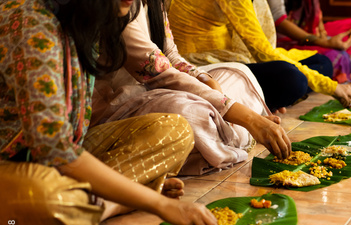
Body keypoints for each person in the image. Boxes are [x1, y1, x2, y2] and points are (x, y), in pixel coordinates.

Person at [0, 0, 217, 225]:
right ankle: (118, 201)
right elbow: (54, 150)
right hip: (15, 164)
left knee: (175, 129)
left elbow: (66, 149)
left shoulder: (86, 21)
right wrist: (158, 204)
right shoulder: (32, 22)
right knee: (49, 201)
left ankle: (96, 205)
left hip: (65, 159)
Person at [91, 0, 291, 176]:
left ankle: (225, 131)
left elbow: (171, 55)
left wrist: (205, 79)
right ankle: (235, 129)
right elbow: (159, 73)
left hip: (156, 89)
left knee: (238, 73)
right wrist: (247, 116)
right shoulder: (119, 5)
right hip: (120, 102)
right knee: (186, 112)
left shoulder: (154, 2)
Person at [167, 0, 351, 109]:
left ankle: (267, 95)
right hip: (204, 64)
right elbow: (261, 50)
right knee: (293, 80)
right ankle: (263, 101)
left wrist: (321, 41)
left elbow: (257, 44)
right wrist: (332, 87)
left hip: (231, 53)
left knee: (322, 62)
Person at [268, 0, 351, 82]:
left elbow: (317, 15)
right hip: (285, 40)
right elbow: (279, 21)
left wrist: (323, 34)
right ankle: (336, 57)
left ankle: (335, 54)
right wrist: (325, 43)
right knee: (328, 60)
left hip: (311, 33)